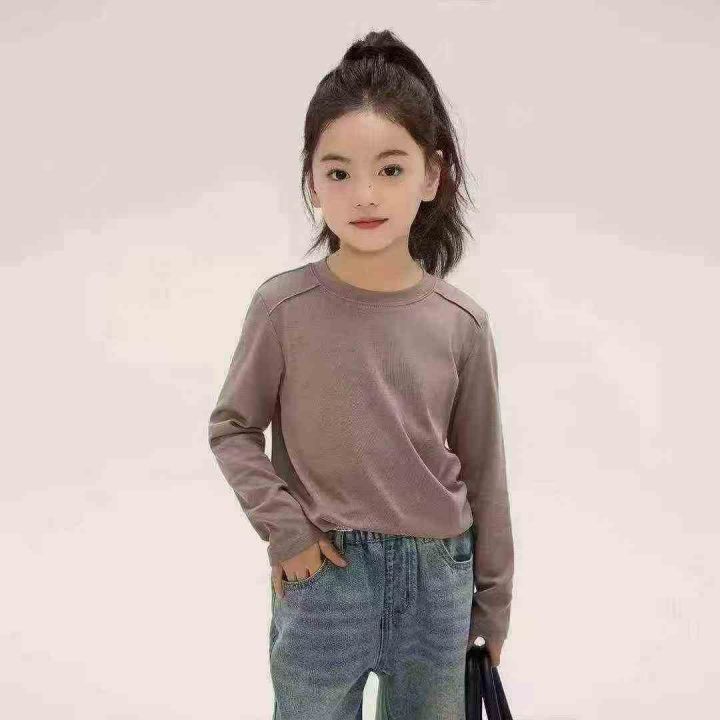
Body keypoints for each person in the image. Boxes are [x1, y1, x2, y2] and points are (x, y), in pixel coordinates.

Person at [208, 28, 514, 720]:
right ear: (311, 182)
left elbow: (485, 470)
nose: (365, 194)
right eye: (339, 172)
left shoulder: (461, 323)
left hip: (438, 586)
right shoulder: (282, 308)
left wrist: (492, 605)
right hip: (326, 577)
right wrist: (289, 534)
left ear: (431, 176)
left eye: (391, 169)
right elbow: (232, 428)